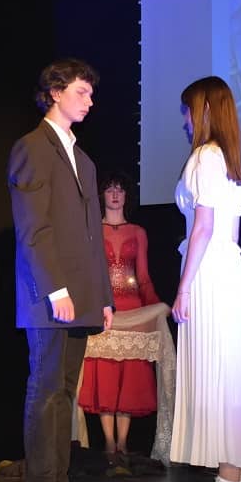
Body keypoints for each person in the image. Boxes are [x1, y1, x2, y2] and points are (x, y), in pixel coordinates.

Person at [8, 58, 114, 482]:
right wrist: (56, 289)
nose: (89, 101)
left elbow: (93, 236)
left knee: (67, 389)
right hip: (50, 294)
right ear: (55, 93)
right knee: (46, 385)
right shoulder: (32, 147)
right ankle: (39, 481)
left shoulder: (82, 159)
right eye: (80, 92)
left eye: (91, 93)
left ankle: (59, 478)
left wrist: (103, 297)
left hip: (82, 294)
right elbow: (33, 228)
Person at [171, 76, 241, 482]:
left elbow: (203, 228)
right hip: (229, 268)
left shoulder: (206, 156)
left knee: (221, 373)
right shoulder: (230, 160)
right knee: (230, 374)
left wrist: (184, 287)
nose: (185, 121)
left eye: (188, 111)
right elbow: (231, 231)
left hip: (209, 271)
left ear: (205, 109)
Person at [77, 172, 161, 467]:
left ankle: (123, 443)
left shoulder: (138, 232)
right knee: (106, 375)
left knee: (130, 377)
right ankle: (109, 442)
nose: (115, 194)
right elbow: (88, 274)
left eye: (120, 189)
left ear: (127, 196)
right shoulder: (92, 230)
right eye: (110, 189)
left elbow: (144, 277)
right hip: (104, 310)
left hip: (133, 309)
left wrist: (156, 307)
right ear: (102, 195)